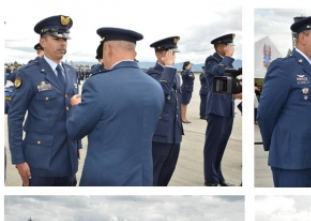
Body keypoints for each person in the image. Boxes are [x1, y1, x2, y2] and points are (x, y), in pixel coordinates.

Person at [66, 27, 164, 186]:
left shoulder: (98, 84)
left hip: (105, 179)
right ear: (134, 54)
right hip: (142, 178)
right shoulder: (155, 86)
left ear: (107, 49)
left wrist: (76, 106)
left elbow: (74, 130)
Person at [257, 14, 311, 187]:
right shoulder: (284, 67)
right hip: (292, 160)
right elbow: (265, 113)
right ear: (302, 38)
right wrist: (281, 145)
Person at [8, 15, 79, 186]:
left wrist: (78, 148)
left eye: (65, 39)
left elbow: (72, 112)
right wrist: (19, 159)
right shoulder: (28, 74)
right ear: (43, 42)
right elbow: (15, 117)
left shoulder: (70, 71)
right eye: (56, 39)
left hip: (68, 160)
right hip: (39, 162)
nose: (62, 43)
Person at [147, 36, 183, 186]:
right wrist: (168, 68)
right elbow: (160, 93)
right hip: (159, 135)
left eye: (174, 53)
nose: (173, 57)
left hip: (174, 134)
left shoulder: (174, 75)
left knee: (166, 174)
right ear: (158, 54)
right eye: (170, 53)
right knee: (153, 175)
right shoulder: (152, 75)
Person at [203, 33, 238, 186]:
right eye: (228, 46)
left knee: (221, 146)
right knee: (212, 146)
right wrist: (228, 58)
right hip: (216, 109)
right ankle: (210, 179)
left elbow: (231, 83)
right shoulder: (212, 61)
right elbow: (218, 72)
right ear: (220, 47)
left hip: (228, 109)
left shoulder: (227, 63)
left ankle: (219, 177)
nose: (231, 49)